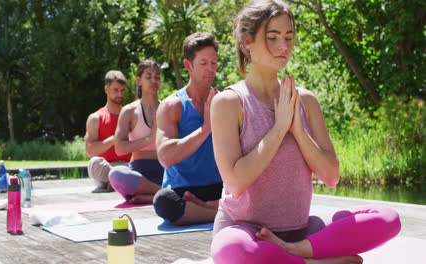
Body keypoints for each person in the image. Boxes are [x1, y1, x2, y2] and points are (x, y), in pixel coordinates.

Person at [209, 1, 401, 263]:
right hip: (246, 231)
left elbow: (331, 176)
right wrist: (279, 129)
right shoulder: (229, 103)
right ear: (248, 42)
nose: (284, 46)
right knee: (234, 250)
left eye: (288, 37)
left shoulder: (306, 101)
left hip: (303, 234)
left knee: (388, 219)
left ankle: (295, 254)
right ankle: (314, 261)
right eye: (273, 37)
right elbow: (235, 182)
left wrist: (298, 129)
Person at [153, 32, 223, 225]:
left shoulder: (224, 101)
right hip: (183, 192)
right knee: (163, 202)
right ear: (188, 65)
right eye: (203, 63)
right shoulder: (172, 105)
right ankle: (221, 213)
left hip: (218, 188)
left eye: (214, 63)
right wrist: (206, 128)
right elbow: (165, 157)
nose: (210, 69)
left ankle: (209, 208)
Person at [109, 60, 164, 204]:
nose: (154, 80)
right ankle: (161, 192)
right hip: (139, 175)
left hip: (165, 170)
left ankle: (155, 195)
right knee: (116, 174)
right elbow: (119, 148)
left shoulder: (168, 107)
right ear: (139, 80)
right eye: (148, 76)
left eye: (157, 77)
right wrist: (149, 139)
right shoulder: (129, 111)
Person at [85, 70, 132, 192]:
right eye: (116, 90)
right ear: (106, 90)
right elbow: (90, 151)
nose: (120, 94)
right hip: (107, 169)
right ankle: (118, 179)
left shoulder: (131, 116)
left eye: (122, 90)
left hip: (128, 167)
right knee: (94, 163)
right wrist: (114, 139)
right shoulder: (96, 118)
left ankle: (119, 180)